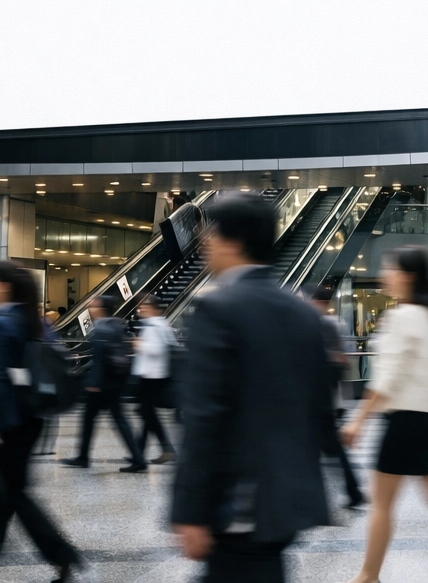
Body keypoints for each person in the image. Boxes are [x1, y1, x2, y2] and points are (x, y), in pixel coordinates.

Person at [171, 194, 334, 582]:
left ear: (234, 240)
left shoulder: (218, 309)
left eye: (209, 233)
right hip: (286, 499)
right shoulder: (302, 312)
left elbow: (204, 416)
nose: (204, 242)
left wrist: (190, 511)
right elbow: (318, 408)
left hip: (238, 500)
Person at [340, 247, 428, 583]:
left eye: (390, 268)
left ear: (407, 276)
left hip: (405, 422)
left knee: (382, 504)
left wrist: (358, 420)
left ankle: (368, 576)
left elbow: (386, 379)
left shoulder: (402, 317)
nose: (385, 274)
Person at [0, 261, 81, 583]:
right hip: (32, 418)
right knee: (1, 496)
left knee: (12, 494)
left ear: (4, 287)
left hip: (6, 423)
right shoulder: (37, 322)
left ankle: (60, 553)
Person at [61, 292, 145, 472]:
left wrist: (92, 383)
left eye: (93, 306)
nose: (90, 309)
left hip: (102, 384)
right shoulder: (116, 325)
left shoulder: (101, 328)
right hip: (116, 380)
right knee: (115, 419)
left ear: (101, 309)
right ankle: (137, 458)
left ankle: (83, 457)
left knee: (94, 419)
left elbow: (99, 360)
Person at [307, 285, 366, 508]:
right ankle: (352, 491)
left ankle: (350, 491)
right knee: (329, 449)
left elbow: (332, 362)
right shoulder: (330, 324)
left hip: (319, 401)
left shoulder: (322, 324)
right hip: (324, 401)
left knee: (326, 448)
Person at [133, 295, 177, 465]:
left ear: (153, 308)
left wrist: (138, 344)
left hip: (152, 376)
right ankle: (138, 451)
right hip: (153, 375)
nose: (141, 310)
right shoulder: (160, 325)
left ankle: (166, 449)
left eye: (144, 307)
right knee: (146, 412)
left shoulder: (155, 326)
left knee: (147, 413)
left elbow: (156, 350)